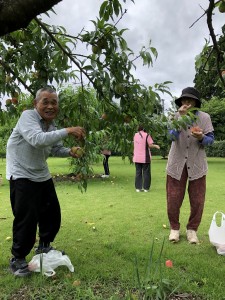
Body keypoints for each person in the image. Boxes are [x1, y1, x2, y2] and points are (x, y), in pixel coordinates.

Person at [6, 87, 86, 277]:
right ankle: (17, 259)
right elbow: (37, 139)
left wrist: (69, 151)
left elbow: (54, 148)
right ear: (36, 104)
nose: (50, 106)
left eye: (54, 102)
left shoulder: (51, 125)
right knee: (27, 218)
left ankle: (44, 247)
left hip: (41, 174)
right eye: (46, 102)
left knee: (52, 214)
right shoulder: (28, 117)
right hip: (21, 174)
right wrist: (67, 130)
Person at [166, 87, 214, 244]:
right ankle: (174, 228)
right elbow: (171, 136)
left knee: (198, 200)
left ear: (195, 103)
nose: (186, 103)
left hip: (197, 164)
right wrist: (180, 118)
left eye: (190, 100)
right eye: (184, 100)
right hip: (176, 163)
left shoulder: (205, 118)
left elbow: (210, 140)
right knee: (173, 198)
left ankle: (192, 230)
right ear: (180, 103)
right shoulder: (174, 116)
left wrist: (201, 137)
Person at [133, 125, 160, 192]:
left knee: (138, 173)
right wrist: (156, 146)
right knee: (146, 173)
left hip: (136, 157)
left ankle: (138, 188)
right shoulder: (147, 135)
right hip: (145, 157)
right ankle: (146, 188)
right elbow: (150, 145)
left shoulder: (135, 135)